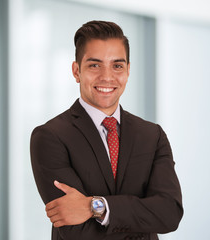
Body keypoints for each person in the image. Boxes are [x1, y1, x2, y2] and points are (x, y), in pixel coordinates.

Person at [30, 20, 183, 240]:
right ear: (76, 71)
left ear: (128, 71)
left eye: (117, 65)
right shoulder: (50, 137)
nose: (107, 76)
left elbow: (169, 213)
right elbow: (75, 231)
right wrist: (142, 219)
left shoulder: (152, 135)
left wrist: (95, 207)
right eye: (94, 65)